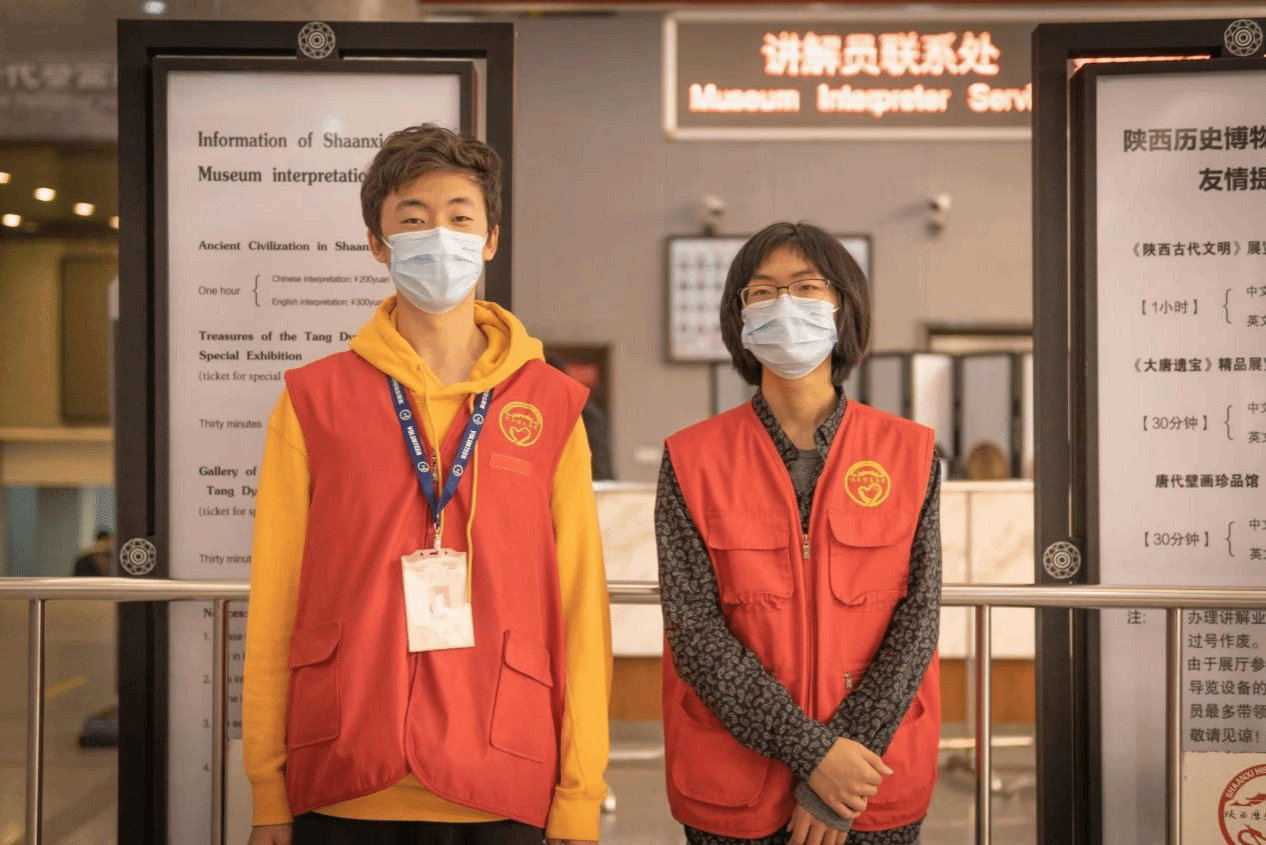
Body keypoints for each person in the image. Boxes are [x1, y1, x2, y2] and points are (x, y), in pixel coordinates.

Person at [243, 124, 612, 845]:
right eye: (412, 219)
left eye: (459, 217)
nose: (438, 236)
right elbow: (275, 601)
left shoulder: (550, 404)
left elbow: (578, 607)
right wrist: (267, 788)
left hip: (503, 768)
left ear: (491, 239)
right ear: (378, 244)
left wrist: (581, 794)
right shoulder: (313, 400)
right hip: (345, 768)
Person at [656, 222, 942, 845]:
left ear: (844, 306)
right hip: (734, 779)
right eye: (762, 291)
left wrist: (841, 771)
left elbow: (917, 624)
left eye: (807, 287)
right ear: (740, 315)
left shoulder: (910, 453)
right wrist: (813, 754)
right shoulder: (692, 458)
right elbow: (695, 633)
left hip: (870, 778)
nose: (784, 304)